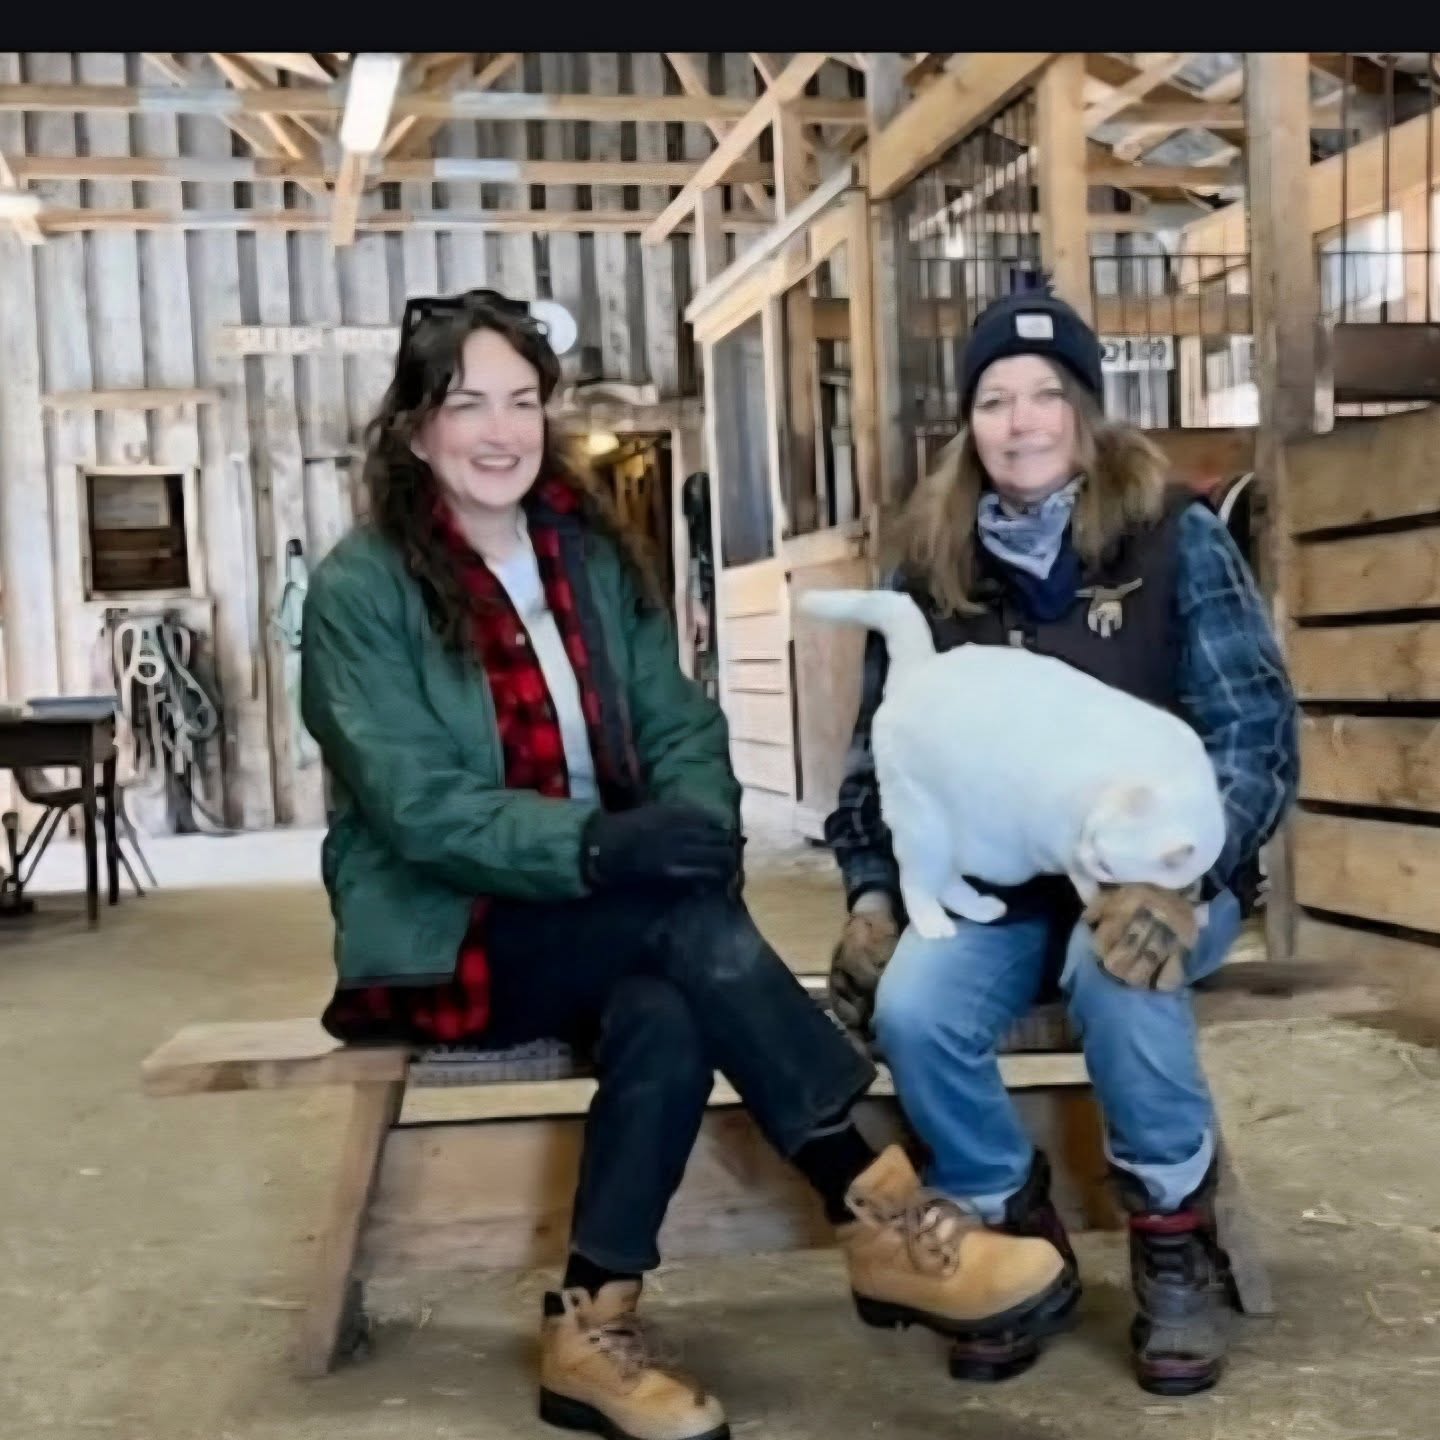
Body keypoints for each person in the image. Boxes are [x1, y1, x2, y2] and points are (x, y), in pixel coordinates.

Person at [299, 287, 1071, 1440]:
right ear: (417, 431)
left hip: (615, 907)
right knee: (681, 938)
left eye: (523, 401)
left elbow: (680, 724)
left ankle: (590, 1327)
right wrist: (603, 845)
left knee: (668, 1000)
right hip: (447, 927)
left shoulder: (587, 560)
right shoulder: (362, 589)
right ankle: (881, 1209)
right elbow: (417, 807)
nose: (502, 430)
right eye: (469, 406)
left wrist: (695, 835)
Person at [824, 285, 1299, 1397]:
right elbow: (874, 767)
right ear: (969, 426)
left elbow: (1253, 727)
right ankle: (1005, 1230)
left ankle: (1170, 1241)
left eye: (1047, 395)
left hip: (1156, 874)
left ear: (1087, 414)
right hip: (1001, 887)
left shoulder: (1175, 540)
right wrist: (875, 895)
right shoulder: (932, 571)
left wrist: (1196, 873)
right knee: (914, 1007)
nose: (1022, 421)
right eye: (996, 399)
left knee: (1122, 971)